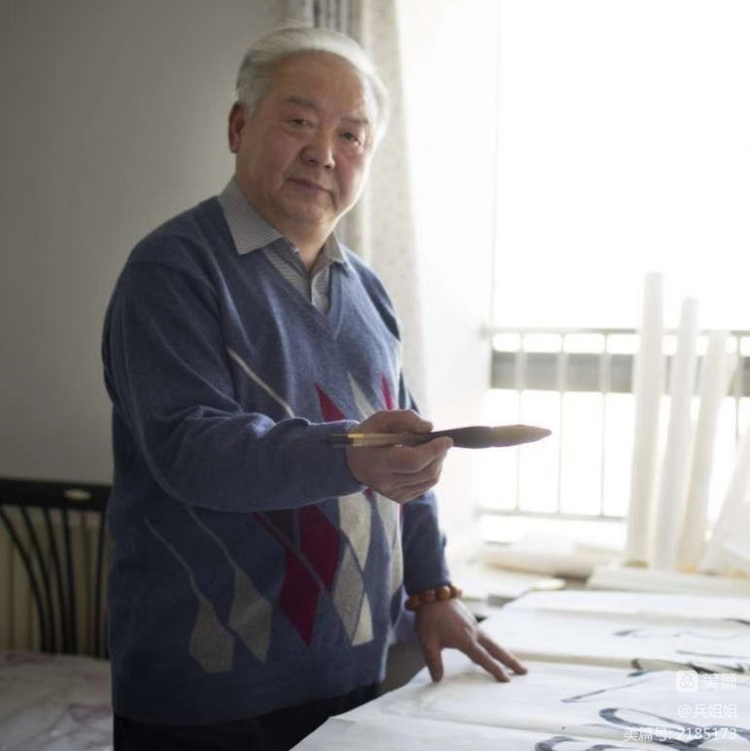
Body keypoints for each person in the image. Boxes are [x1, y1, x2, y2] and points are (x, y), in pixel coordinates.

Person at [102, 25, 526, 751]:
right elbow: (190, 449)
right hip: (206, 689)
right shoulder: (172, 270)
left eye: (351, 135)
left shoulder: (369, 292)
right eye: (299, 121)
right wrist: (353, 454)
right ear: (238, 127)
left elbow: (407, 449)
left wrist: (433, 589)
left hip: (351, 672)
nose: (324, 153)